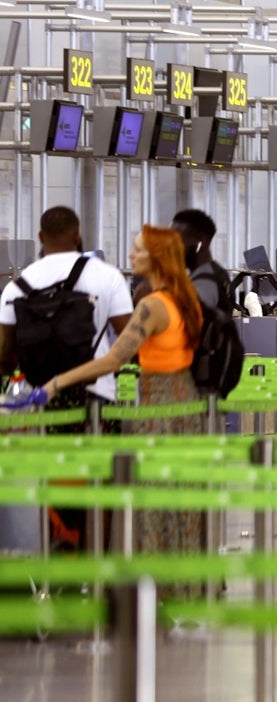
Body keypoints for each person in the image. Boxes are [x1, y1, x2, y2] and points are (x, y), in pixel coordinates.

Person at [23, 226, 205, 590]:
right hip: (186, 405)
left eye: (137, 249)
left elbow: (113, 360)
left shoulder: (151, 305)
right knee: (180, 502)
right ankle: (182, 591)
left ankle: (155, 592)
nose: (130, 254)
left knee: (153, 505)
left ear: (155, 258)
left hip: (159, 411)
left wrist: (57, 382)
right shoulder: (184, 299)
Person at [0, 206, 133, 550]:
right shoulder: (108, 277)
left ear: (41, 237)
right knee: (98, 481)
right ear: (78, 236)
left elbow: (4, 356)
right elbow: (128, 339)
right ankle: (98, 565)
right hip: (97, 396)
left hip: (41, 399)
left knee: (52, 480)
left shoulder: (17, 287)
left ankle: (56, 562)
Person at [171, 209, 232, 312]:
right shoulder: (215, 273)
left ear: (201, 241)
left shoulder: (204, 284)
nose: (173, 248)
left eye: (178, 241)